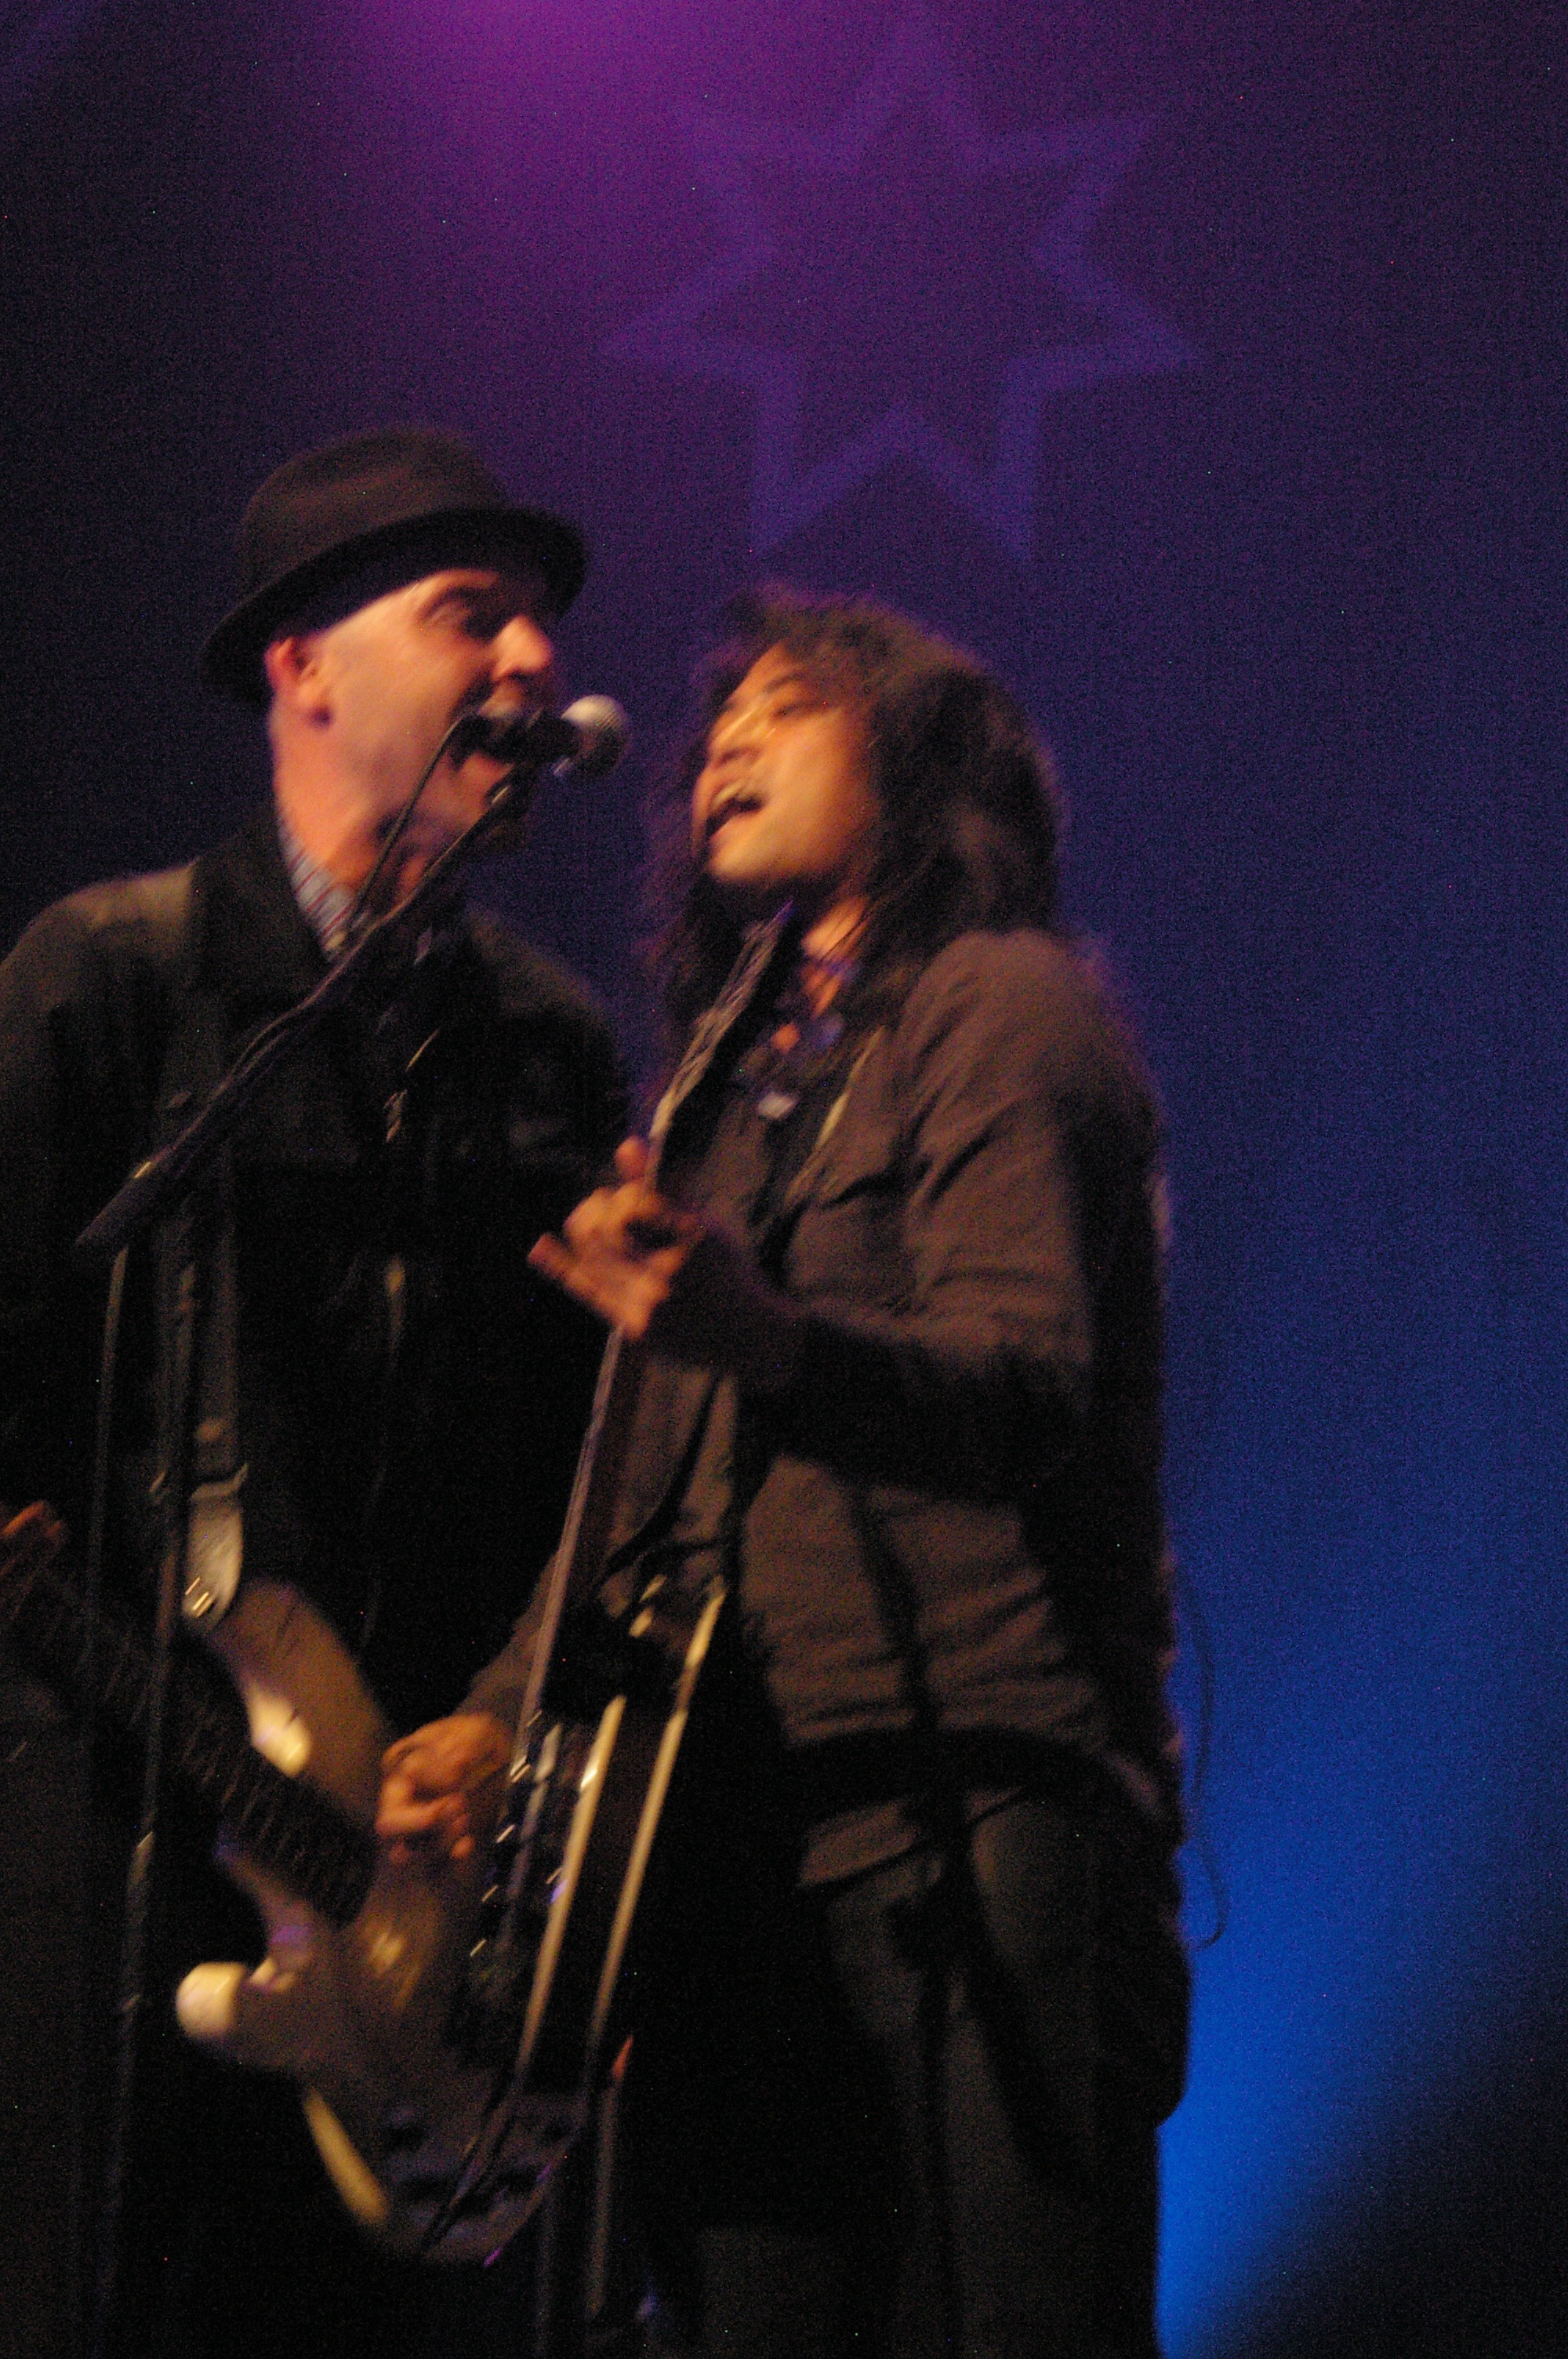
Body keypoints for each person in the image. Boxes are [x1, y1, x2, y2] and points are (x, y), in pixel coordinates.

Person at [383, 589, 1190, 2357]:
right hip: (727, 1851)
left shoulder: (1000, 1008)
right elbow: (637, 1493)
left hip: (975, 1811)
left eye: (789, 707)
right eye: (718, 724)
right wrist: (495, 1720)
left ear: (915, 762)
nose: (726, 742)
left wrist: (766, 1338)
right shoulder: (720, 1107)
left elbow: (1025, 1387)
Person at [0, 427, 626, 2359]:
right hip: (119, 1844)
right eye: (469, 613)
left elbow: (592, 1478)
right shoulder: (114, 981)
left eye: (537, 622)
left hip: (423, 1913)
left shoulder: (549, 1046)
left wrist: (494, 1723)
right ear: (304, 667)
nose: (531, 658)